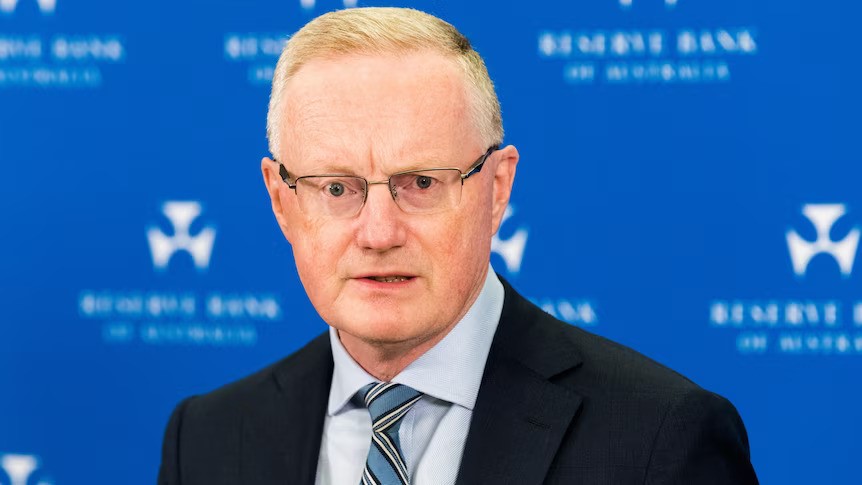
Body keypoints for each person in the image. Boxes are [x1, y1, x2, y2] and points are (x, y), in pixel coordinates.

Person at [158, 7, 758, 484]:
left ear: (497, 188)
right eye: (335, 187)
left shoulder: (659, 438)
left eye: (420, 183)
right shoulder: (209, 437)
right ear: (281, 199)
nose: (378, 233)